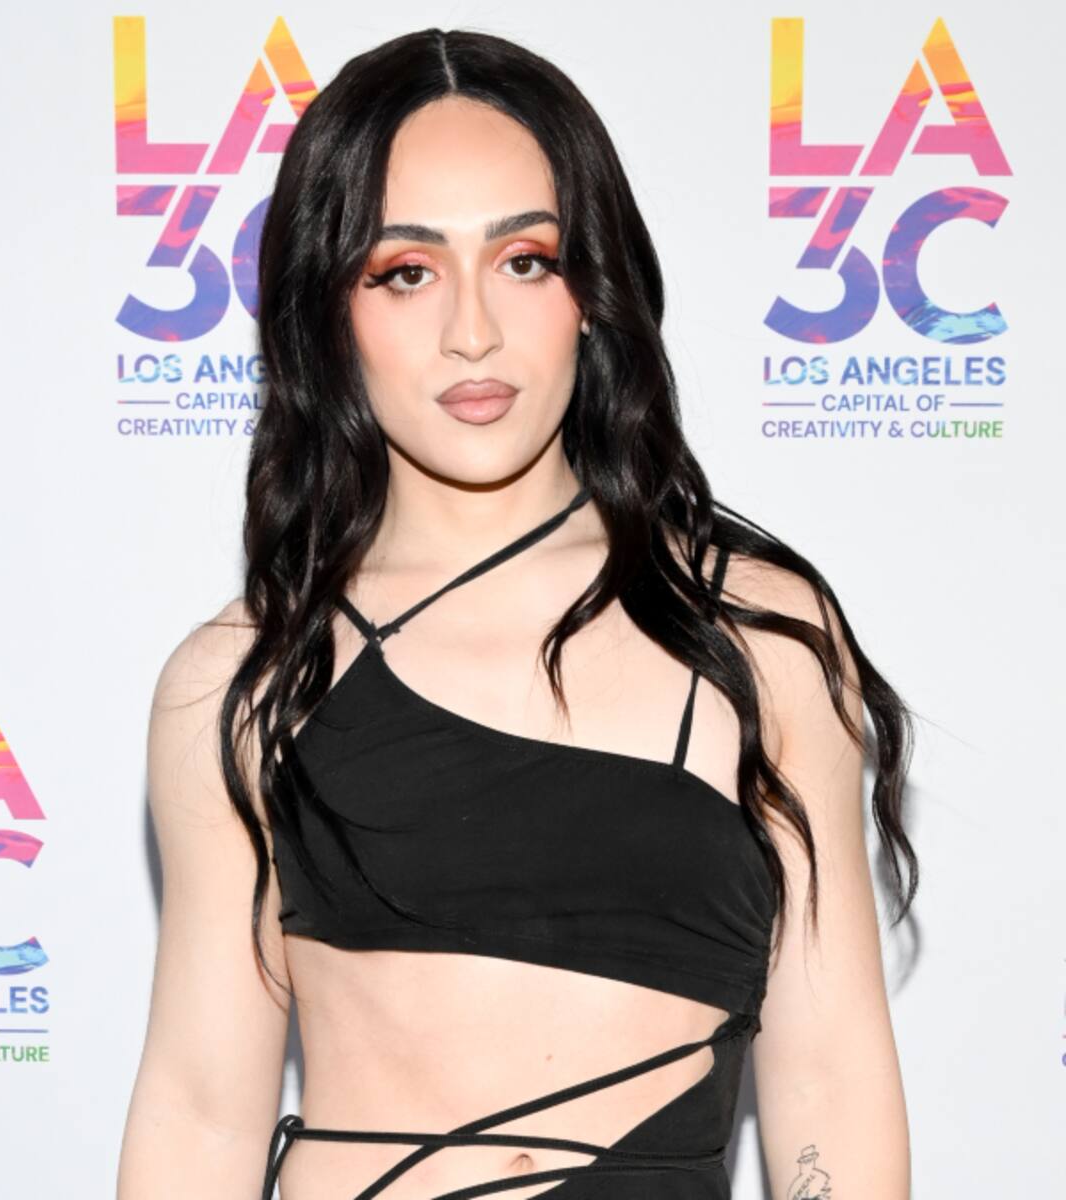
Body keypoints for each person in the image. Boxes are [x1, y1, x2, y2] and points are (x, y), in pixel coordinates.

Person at [118, 27, 917, 1200]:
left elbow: (833, 1089)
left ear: (591, 290)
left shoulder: (760, 640)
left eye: (525, 261)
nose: (473, 331)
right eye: (406, 271)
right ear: (329, 314)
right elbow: (198, 1115)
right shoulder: (244, 683)